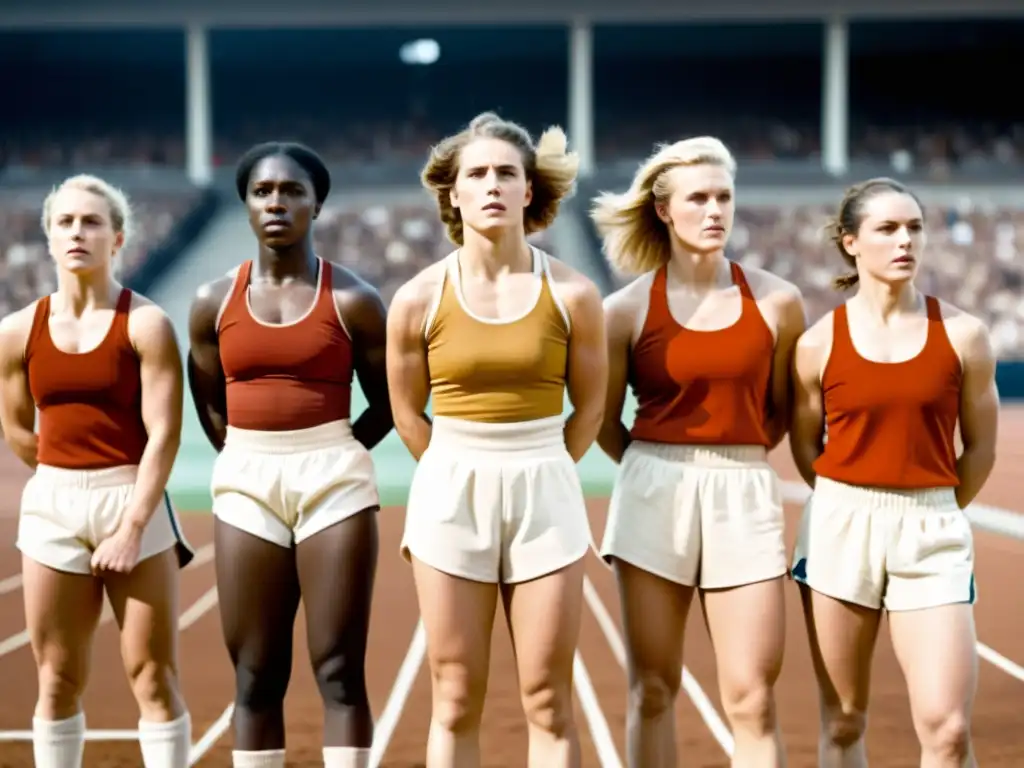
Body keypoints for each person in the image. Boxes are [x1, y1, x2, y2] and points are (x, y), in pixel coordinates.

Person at [386, 111, 606, 768]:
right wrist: (464, 468)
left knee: (546, 697)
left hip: (547, 486)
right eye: (475, 174)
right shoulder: (418, 298)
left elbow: (591, 410)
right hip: (450, 488)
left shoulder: (574, 293)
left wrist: (536, 467)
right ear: (452, 193)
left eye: (506, 173)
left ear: (528, 190)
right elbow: (407, 415)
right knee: (454, 696)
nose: (491, 185)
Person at [590, 137, 807, 767]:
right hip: (652, 488)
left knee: (751, 698)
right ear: (663, 210)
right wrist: (657, 464)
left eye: (724, 197)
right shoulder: (624, 310)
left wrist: (731, 457)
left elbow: (781, 410)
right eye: (698, 198)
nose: (715, 210)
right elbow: (604, 421)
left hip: (744, 488)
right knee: (653, 690)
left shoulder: (777, 302)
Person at [187, 141, 392, 768]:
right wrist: (251, 454)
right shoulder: (211, 303)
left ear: (317, 204)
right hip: (247, 476)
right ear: (247, 204)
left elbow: (387, 404)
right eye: (263, 191)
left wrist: (331, 450)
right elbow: (210, 405)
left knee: (338, 667)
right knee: (254, 674)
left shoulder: (355, 300)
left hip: (334, 474)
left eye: (293, 190)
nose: (277, 202)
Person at [789, 178, 998, 768]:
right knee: (846, 720)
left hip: (931, 528)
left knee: (948, 729)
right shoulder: (816, 344)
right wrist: (845, 497)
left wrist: (937, 505)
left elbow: (980, 448)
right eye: (887, 228)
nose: (905, 240)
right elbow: (806, 446)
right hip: (840, 527)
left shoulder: (963, 335)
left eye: (914, 227)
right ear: (851, 243)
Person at [0, 174, 195, 768]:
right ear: (50, 239)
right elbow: (17, 431)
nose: (77, 232)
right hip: (53, 504)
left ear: (118, 239)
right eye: (65, 222)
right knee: (56, 677)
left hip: (131, 499)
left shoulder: (147, 324)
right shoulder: (14, 332)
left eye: (91, 222)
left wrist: (132, 524)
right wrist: (65, 481)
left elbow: (165, 433)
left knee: (153, 676)